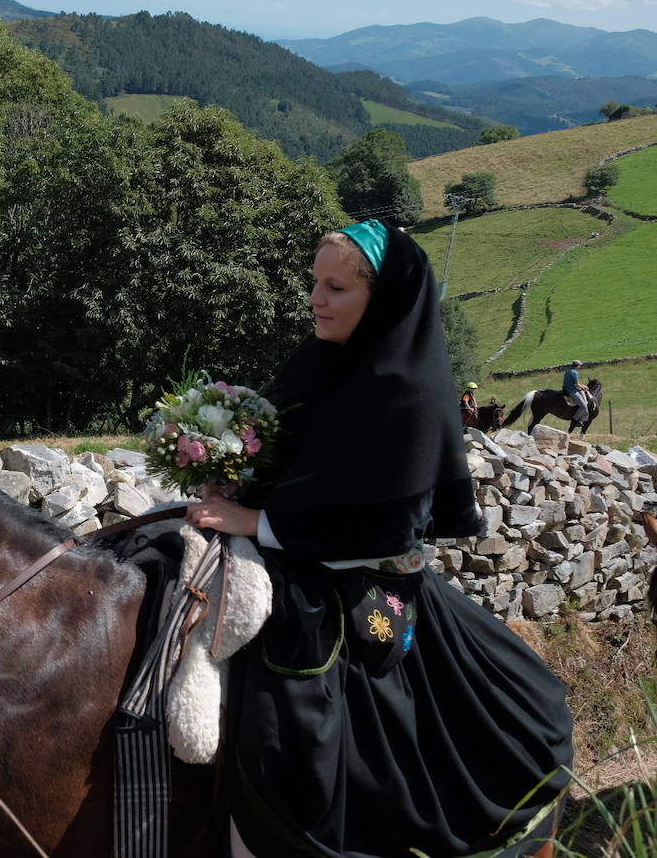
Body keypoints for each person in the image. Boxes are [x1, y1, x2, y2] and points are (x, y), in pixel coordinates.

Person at [186, 219, 573, 858]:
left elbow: (388, 527)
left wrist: (260, 524)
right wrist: (227, 477)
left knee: (295, 723)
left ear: (384, 298)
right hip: (284, 553)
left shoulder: (411, 396)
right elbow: (281, 452)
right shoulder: (317, 357)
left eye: (336, 287)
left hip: (363, 592)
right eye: (315, 282)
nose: (316, 298)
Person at [563, 360, 589, 425]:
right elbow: (577, 384)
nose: (580, 367)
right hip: (572, 391)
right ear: (577, 366)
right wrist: (584, 387)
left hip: (566, 389)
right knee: (583, 406)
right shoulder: (575, 373)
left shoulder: (568, 371)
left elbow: (573, 384)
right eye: (580, 365)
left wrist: (581, 386)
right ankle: (575, 420)